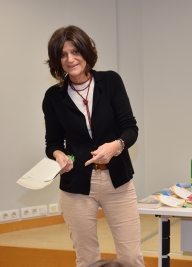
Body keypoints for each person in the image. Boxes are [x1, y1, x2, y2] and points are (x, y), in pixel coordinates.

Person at [43, 25, 144, 267]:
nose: (70, 59)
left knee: (131, 257)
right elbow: (52, 143)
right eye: (63, 54)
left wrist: (116, 146)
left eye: (75, 52)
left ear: (87, 52)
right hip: (76, 186)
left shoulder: (111, 81)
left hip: (117, 181)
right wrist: (59, 156)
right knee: (86, 258)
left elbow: (130, 128)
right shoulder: (53, 96)